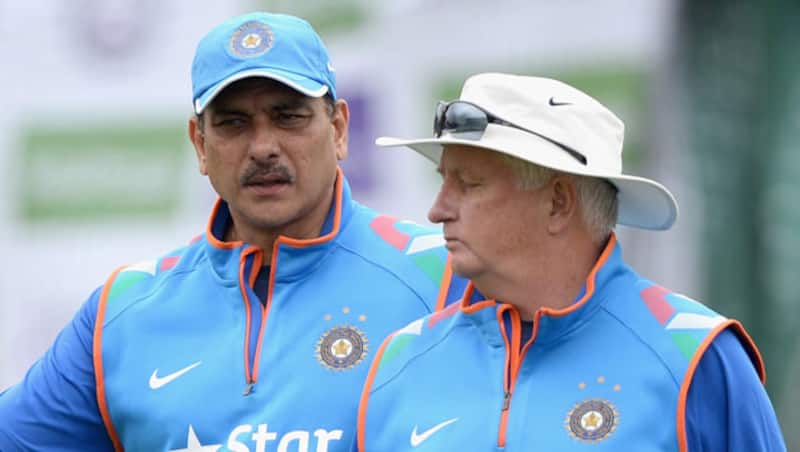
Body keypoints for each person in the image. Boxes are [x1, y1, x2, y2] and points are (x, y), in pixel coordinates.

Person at [0, 12, 465, 451]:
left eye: (288, 116)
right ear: (200, 145)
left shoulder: (446, 277)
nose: (263, 147)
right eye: (233, 123)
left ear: (339, 128)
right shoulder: (123, 312)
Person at [355, 73, 786, 451]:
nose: (437, 210)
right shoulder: (399, 360)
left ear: (558, 203)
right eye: (443, 181)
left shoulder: (697, 358)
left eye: (469, 183)